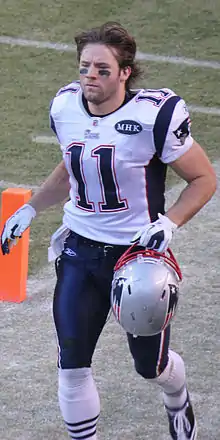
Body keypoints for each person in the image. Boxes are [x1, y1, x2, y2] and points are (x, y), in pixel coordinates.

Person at [1, 22, 216, 440]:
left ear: (125, 73)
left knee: (149, 366)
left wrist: (168, 223)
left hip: (135, 258)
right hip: (80, 251)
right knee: (72, 365)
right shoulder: (66, 106)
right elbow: (73, 167)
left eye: (102, 69)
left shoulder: (154, 115)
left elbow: (204, 179)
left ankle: (177, 397)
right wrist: (30, 207)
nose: (90, 78)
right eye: (85, 68)